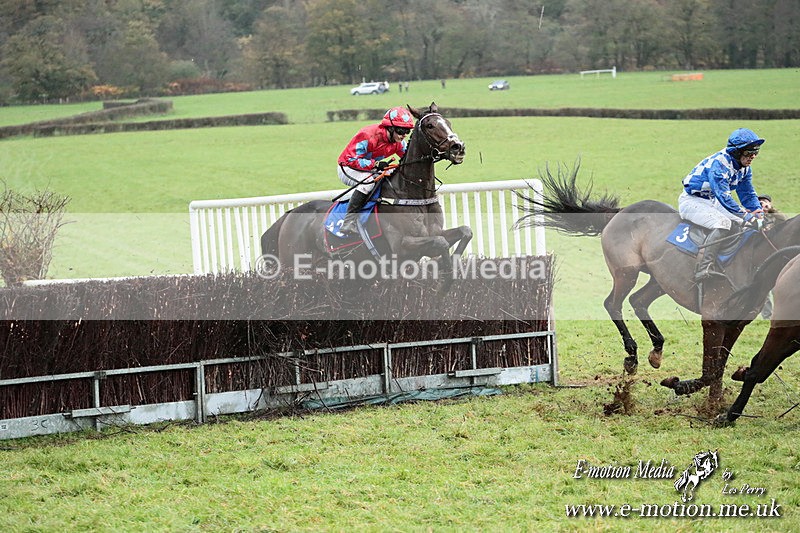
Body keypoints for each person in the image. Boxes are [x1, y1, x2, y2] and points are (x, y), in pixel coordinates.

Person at [678, 128, 765, 282]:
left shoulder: (744, 168)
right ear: (737, 152)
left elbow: (747, 194)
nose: (752, 156)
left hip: (713, 201)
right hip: (692, 201)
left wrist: (758, 212)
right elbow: (723, 195)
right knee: (723, 223)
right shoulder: (720, 165)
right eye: (748, 153)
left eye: (755, 152)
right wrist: (746, 215)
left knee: (743, 224)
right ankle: (703, 267)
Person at [336, 106, 413, 234]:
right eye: (400, 130)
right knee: (369, 183)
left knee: (391, 177)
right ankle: (349, 222)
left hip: (369, 169)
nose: (403, 135)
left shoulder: (399, 142)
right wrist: (375, 164)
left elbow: (409, 158)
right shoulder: (368, 135)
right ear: (390, 127)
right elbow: (350, 159)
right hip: (347, 168)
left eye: (407, 131)